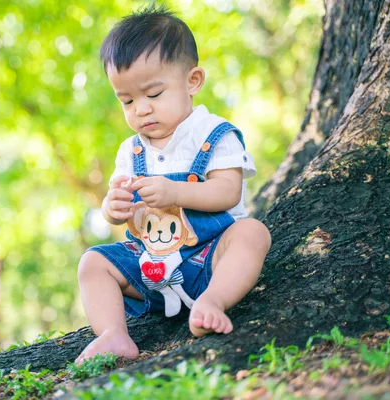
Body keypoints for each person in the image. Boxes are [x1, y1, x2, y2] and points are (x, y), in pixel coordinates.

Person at [75, 5, 272, 363]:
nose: (141, 110)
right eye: (128, 100)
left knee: (252, 233)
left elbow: (228, 192)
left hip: (208, 259)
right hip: (150, 265)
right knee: (92, 262)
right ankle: (114, 333)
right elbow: (125, 209)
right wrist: (113, 208)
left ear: (192, 81)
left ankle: (213, 301)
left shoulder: (214, 134)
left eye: (153, 94)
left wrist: (174, 192)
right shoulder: (130, 150)